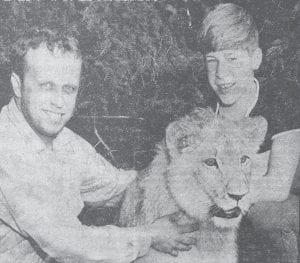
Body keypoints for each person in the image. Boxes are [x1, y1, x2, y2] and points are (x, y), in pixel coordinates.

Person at [0, 27, 196, 262]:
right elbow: (67, 243)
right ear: (17, 84)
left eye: (69, 89)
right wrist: (150, 235)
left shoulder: (63, 142)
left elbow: (118, 186)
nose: (59, 102)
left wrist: (180, 172)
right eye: (46, 86)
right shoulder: (8, 148)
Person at [198, 3, 300, 262]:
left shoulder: (279, 99)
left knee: (269, 216)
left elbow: (278, 186)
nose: (221, 74)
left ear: (256, 59)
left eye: (233, 59)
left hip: (287, 196)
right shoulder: (204, 111)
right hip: (239, 195)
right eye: (213, 61)